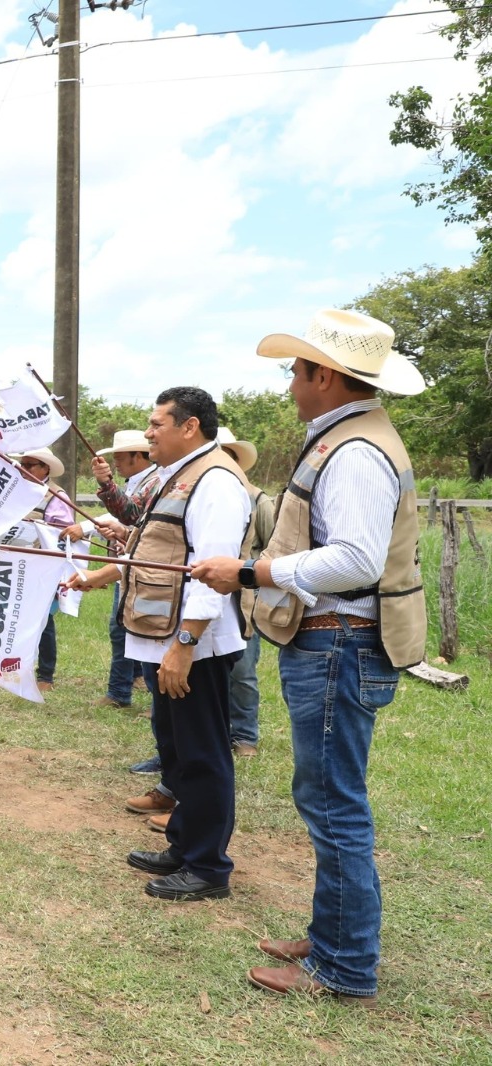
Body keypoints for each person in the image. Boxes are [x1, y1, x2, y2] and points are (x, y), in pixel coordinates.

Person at [193, 309, 426, 1005]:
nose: (291, 383)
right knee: (328, 800)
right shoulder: (351, 439)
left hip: (338, 642)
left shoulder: (353, 452)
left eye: (296, 370)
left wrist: (253, 573)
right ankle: (332, 938)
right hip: (337, 643)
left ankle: (345, 965)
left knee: (333, 806)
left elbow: (353, 559)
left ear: (326, 375)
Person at [67, 386, 250, 902]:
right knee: (176, 752)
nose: (148, 433)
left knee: (202, 754)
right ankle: (184, 845)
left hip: (194, 643)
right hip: (165, 635)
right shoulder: (176, 476)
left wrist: (185, 644)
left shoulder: (214, 482)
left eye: (156, 424)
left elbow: (212, 571)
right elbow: (150, 533)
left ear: (189, 427)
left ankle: (208, 867)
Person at [85, 430, 160, 710]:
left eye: (120, 457)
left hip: (142, 570)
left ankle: (145, 698)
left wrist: (106, 484)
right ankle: (121, 691)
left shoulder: (154, 482)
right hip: (128, 566)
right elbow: (130, 518)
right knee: (123, 630)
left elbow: (133, 515)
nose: (115, 462)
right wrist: (122, 531)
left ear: (139, 456)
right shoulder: (138, 482)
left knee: (145, 633)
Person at [214, 427, 276, 758]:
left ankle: (245, 736)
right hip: (206, 590)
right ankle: (215, 732)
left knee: (242, 669)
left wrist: (243, 569)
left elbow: (273, 549)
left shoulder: (257, 499)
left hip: (244, 596)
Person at [14, 449, 79, 691]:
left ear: (45, 469)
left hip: (43, 568)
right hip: (17, 564)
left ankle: (45, 676)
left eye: (31, 465)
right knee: (17, 618)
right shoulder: (15, 492)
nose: (24, 469)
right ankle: (17, 667)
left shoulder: (56, 497)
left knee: (43, 621)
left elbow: (63, 536)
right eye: (22, 464)